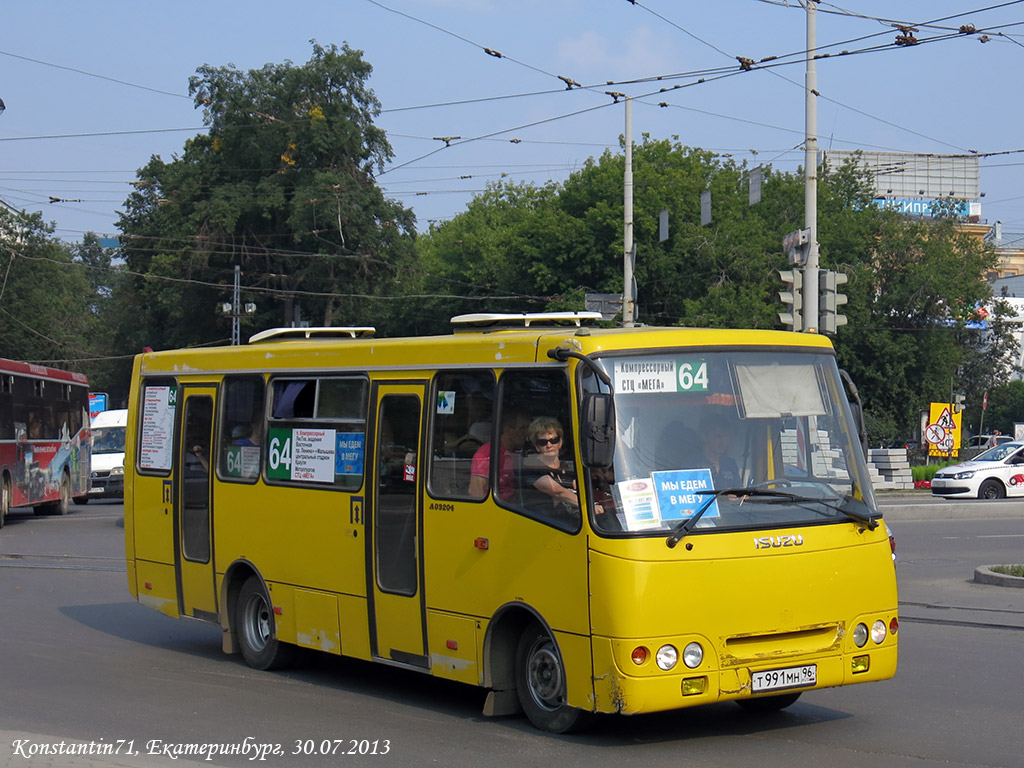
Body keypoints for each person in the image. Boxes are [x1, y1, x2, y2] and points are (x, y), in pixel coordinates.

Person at [521, 416, 580, 513]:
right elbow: (558, 492)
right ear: (537, 447)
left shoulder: (568, 466)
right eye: (542, 442)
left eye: (554, 440)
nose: (549, 445)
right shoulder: (531, 466)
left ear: (560, 442)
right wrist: (590, 508)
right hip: (541, 521)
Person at [468, 409, 529, 499]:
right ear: (507, 430)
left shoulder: (516, 453)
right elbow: (475, 490)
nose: (526, 433)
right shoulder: (488, 453)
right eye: (522, 428)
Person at [691, 414, 742, 488]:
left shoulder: (730, 463)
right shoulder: (692, 464)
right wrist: (721, 497)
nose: (723, 441)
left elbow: (739, 490)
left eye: (726, 436)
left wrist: (741, 495)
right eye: (718, 436)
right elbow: (690, 494)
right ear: (704, 437)